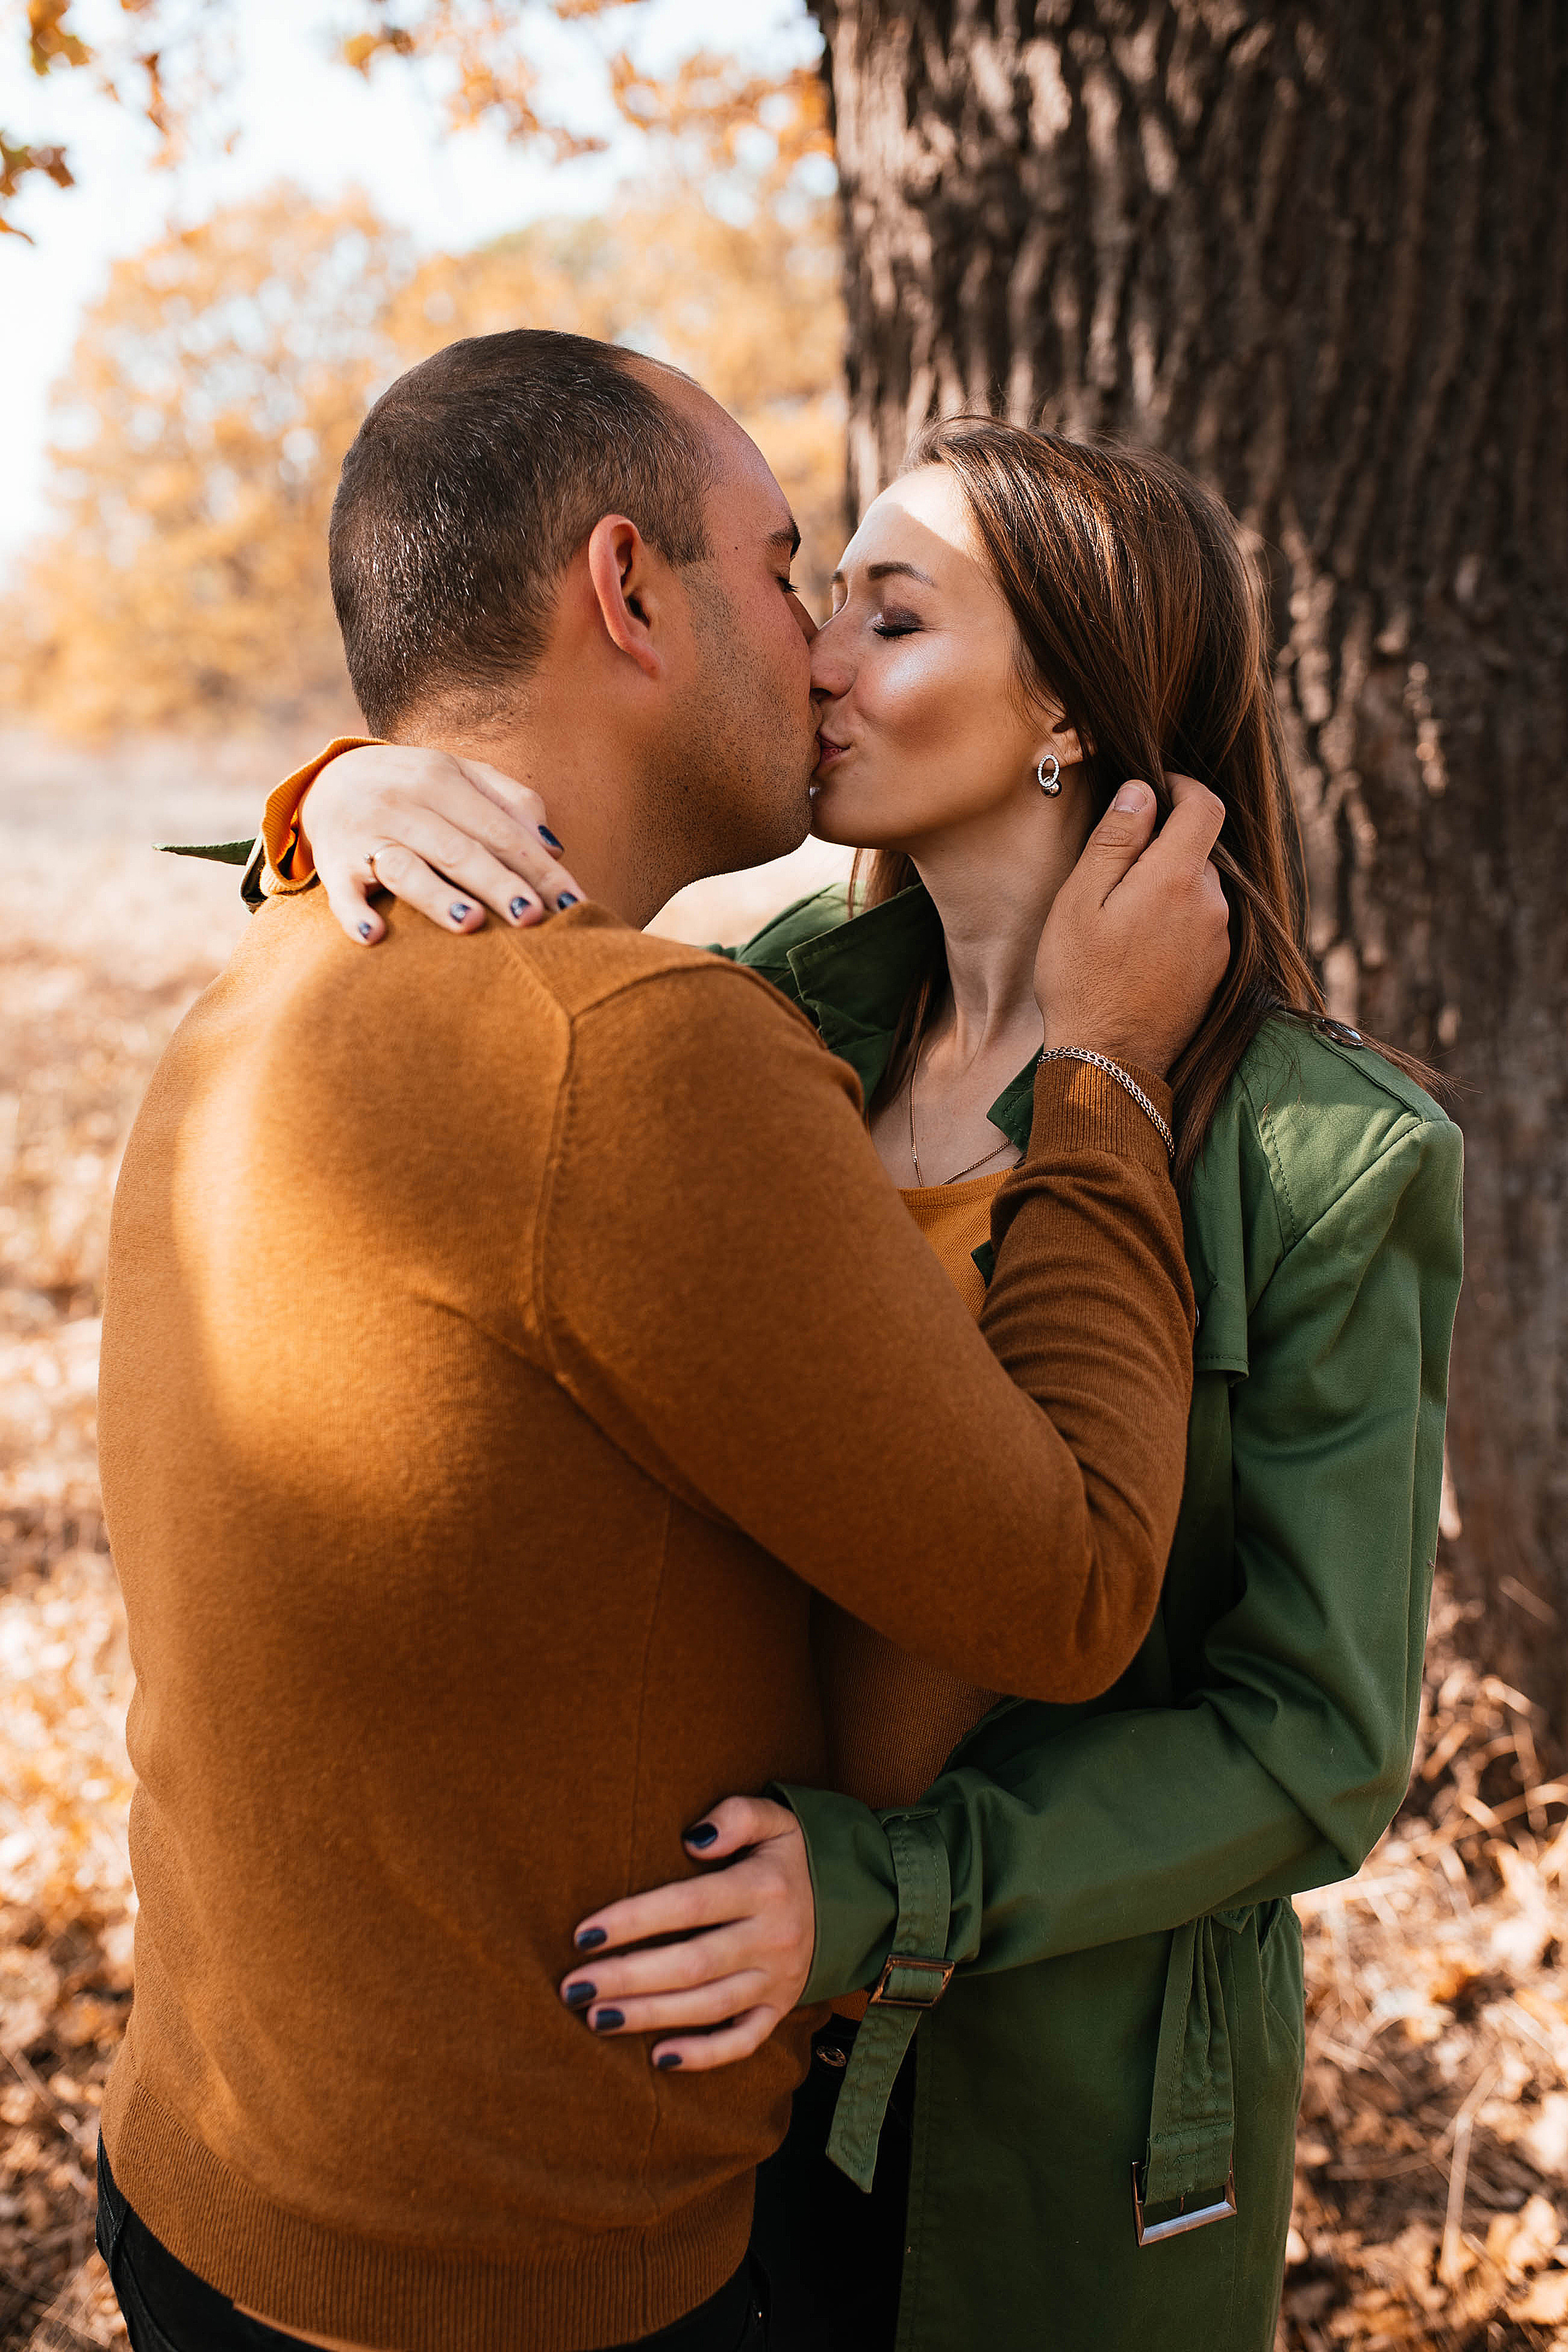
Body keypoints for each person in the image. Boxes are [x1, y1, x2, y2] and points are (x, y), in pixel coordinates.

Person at [260, 418, 1465, 2351]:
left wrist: (888, 1890)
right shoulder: (774, 1004)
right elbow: (453, 1006)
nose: (812, 659)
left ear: (1069, 707)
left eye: (889, 620)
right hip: (693, 2055)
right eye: (822, 600)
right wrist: (350, 792)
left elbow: (1315, 1741)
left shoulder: (1324, 1153)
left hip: (1044, 2089)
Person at [94, 333, 1232, 2352]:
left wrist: (328, 790)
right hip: (515, 2283)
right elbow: (1064, 1592)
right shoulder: (642, 1050)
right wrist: (1115, 1077)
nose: (817, 653)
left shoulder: (283, 958)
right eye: (790, 575)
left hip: (206, 2184)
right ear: (627, 590)